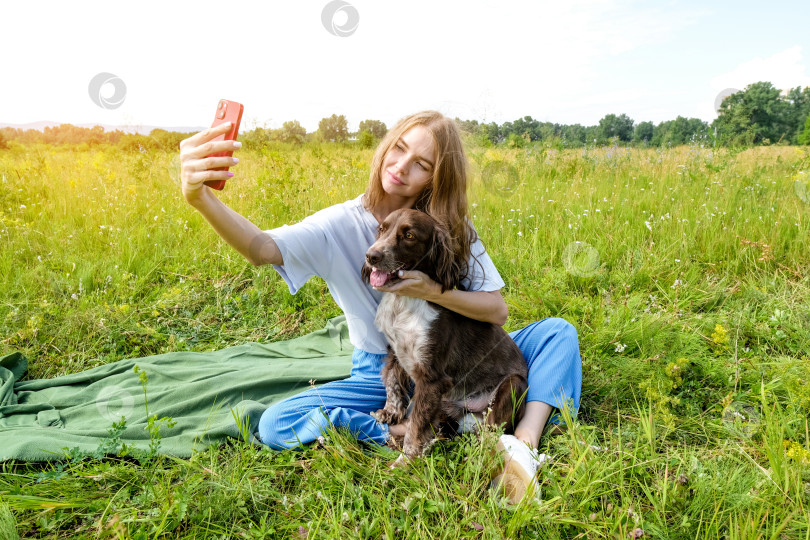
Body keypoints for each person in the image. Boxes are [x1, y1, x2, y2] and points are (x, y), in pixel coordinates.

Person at [179, 110, 582, 503]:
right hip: (384, 367)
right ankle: (414, 431)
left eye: (421, 163)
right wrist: (199, 198)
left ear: (436, 177)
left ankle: (522, 442)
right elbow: (262, 248)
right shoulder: (340, 223)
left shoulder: (448, 227)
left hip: (463, 354)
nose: (401, 167)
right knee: (276, 423)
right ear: (386, 146)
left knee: (558, 332)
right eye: (399, 148)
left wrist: (432, 291)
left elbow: (496, 312)